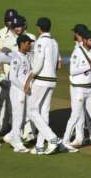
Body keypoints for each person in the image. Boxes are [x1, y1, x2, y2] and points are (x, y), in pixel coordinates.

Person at [61, 30, 91, 152]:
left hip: (90, 89)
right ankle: (65, 141)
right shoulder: (77, 52)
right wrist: (89, 67)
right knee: (75, 116)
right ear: (85, 40)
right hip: (79, 89)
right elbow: (72, 71)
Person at [24, 17, 60, 155]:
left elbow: (38, 63)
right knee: (43, 112)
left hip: (42, 80)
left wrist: (29, 79)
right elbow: (56, 62)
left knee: (31, 110)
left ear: (39, 28)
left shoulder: (40, 42)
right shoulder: (54, 42)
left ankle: (52, 138)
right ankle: (39, 145)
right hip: (52, 79)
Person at [0, 15, 36, 135]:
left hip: (29, 76)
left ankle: (29, 132)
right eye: (15, 26)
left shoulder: (32, 38)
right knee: (13, 106)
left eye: (19, 26)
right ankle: (12, 131)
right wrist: (1, 74)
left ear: (24, 25)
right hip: (13, 78)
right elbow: (2, 59)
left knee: (29, 106)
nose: (18, 29)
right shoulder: (8, 40)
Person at [2, 35, 34, 153]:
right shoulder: (16, 58)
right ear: (21, 44)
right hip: (17, 91)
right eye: (27, 43)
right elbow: (12, 77)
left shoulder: (26, 56)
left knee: (23, 115)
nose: (29, 45)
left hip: (23, 91)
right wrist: (24, 88)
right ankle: (17, 144)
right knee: (18, 116)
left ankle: (10, 136)